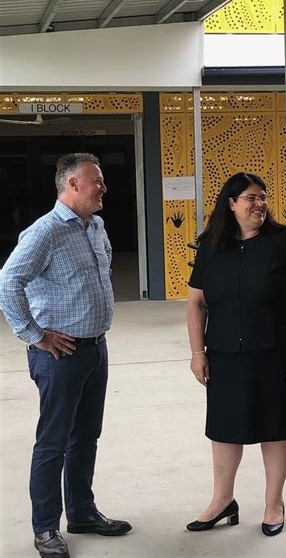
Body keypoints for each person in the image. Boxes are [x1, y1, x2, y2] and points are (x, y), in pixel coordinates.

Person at [0, 153, 131, 558]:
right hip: (61, 356)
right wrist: (34, 335)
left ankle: (82, 513)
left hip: (95, 348)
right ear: (72, 184)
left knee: (86, 437)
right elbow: (8, 280)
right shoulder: (45, 232)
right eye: (97, 181)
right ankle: (44, 528)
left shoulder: (96, 226)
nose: (104, 188)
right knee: (53, 442)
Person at [186, 172, 286, 536]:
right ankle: (222, 500)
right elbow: (196, 303)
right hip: (225, 353)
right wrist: (198, 352)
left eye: (262, 197)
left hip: (274, 352)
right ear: (231, 204)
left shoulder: (283, 241)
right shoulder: (211, 246)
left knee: (275, 428)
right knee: (225, 430)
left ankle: (274, 503)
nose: (258, 204)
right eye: (250, 198)